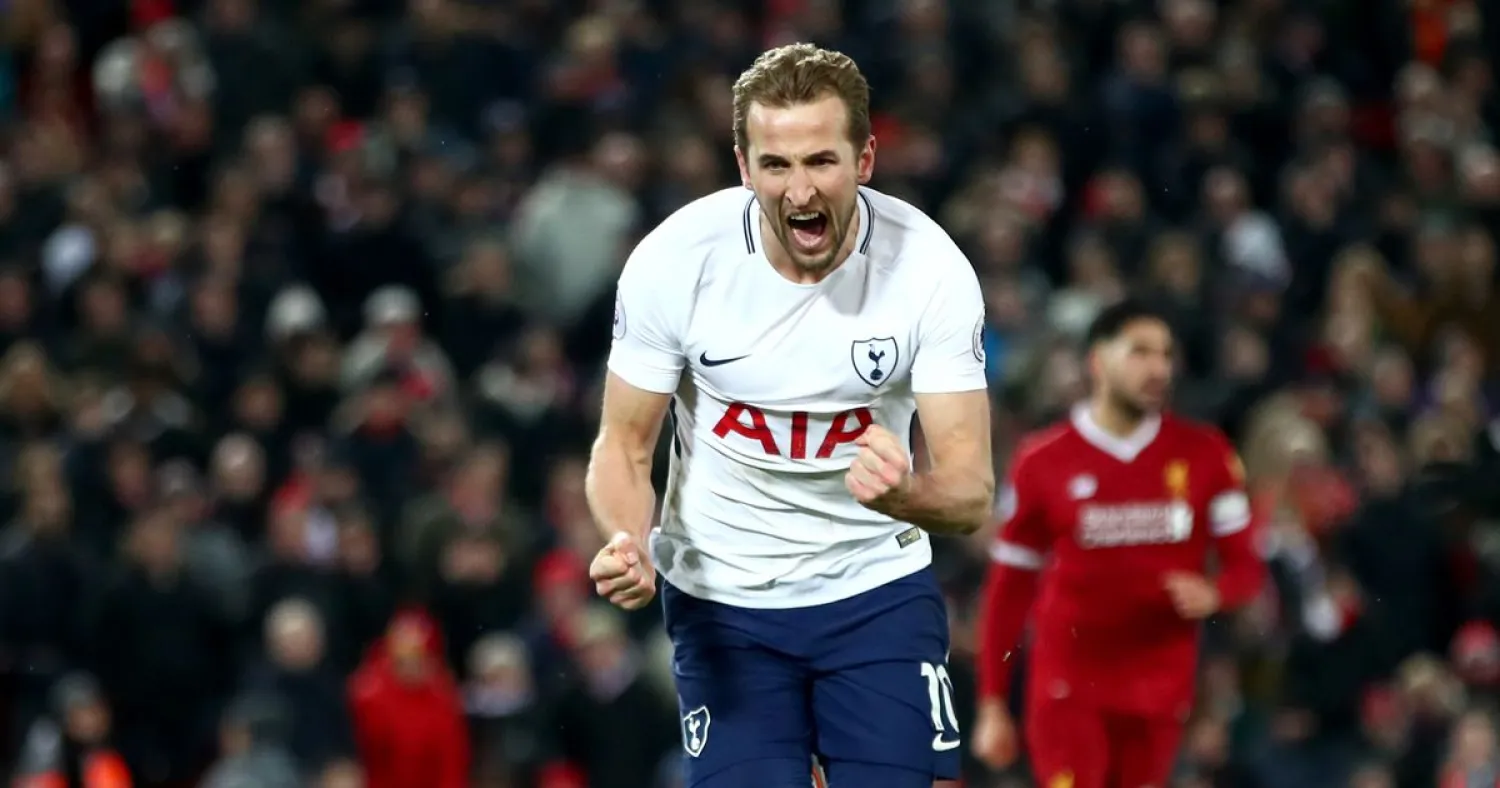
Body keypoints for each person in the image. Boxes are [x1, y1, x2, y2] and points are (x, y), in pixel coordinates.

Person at [585, 43, 994, 788]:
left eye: (820, 161)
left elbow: (970, 490)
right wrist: (625, 538)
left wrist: (905, 496)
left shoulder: (930, 272)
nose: (799, 190)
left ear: (865, 159)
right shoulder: (675, 263)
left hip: (875, 591)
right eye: (776, 165)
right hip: (724, 602)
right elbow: (623, 445)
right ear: (744, 167)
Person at [971, 299, 1266, 788]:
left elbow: (1246, 569)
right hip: (1068, 688)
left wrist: (1216, 593)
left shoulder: (1206, 454)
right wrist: (992, 702)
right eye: (1140, 352)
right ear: (1097, 360)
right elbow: (1008, 590)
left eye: (1166, 355)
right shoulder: (1043, 460)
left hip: (1161, 689)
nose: (1158, 368)